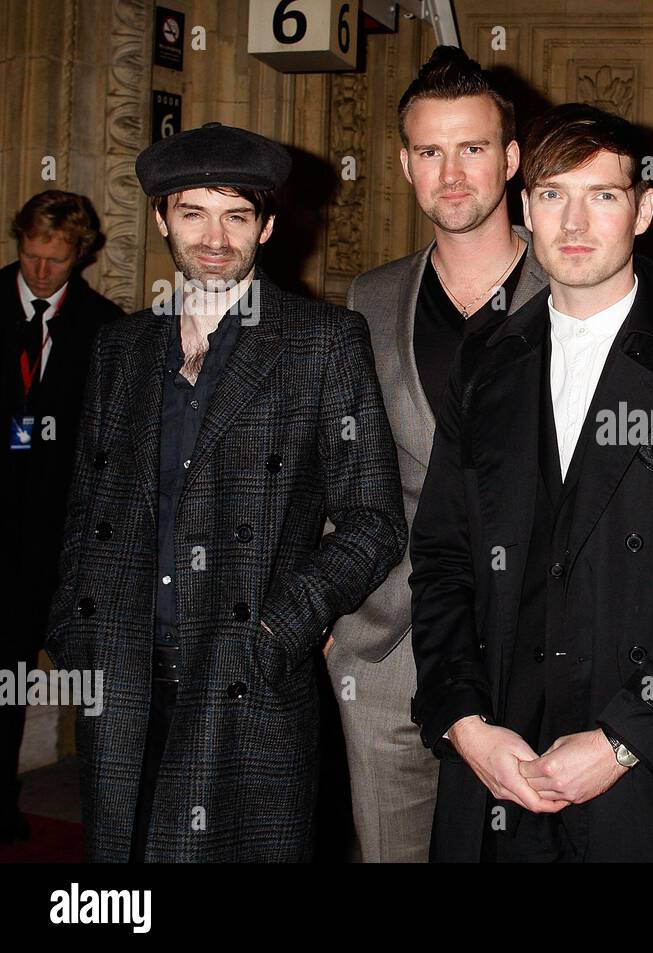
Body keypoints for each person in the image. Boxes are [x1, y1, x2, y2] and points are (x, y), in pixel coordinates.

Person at [409, 103, 653, 862]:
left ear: (642, 209)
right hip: (500, 765)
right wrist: (465, 722)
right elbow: (441, 557)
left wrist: (623, 739)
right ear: (525, 207)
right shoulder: (486, 357)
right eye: (551, 195)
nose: (573, 221)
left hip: (647, 773)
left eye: (601, 195)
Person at [43, 122, 406, 861]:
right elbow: (86, 502)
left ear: (267, 225)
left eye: (236, 215)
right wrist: (72, 623)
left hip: (244, 674)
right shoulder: (121, 346)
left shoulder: (322, 341)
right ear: (160, 219)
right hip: (123, 672)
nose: (214, 237)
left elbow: (372, 521)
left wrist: (279, 629)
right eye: (193, 213)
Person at [328, 46, 549, 862]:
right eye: (430, 151)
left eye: (473, 148)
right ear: (404, 164)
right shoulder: (370, 296)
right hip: (390, 649)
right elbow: (344, 468)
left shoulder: (575, 284)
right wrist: (336, 617)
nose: (452, 174)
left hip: (537, 642)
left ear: (513, 158)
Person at [1, 191, 122, 843]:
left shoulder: (105, 327)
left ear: (80, 254)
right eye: (30, 256)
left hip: (61, 535)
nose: (39, 272)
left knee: (48, 668)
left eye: (55, 260)